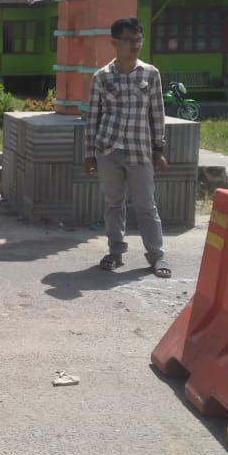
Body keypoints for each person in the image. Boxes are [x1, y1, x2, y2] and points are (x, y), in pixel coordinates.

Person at [83, 17, 172, 278]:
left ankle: (156, 255)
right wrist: (89, 154)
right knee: (113, 204)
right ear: (114, 43)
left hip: (139, 150)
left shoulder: (150, 74)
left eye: (138, 40)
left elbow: (157, 113)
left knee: (146, 205)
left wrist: (159, 149)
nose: (135, 45)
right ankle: (115, 251)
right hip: (108, 150)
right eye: (129, 40)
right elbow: (92, 119)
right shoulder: (101, 77)